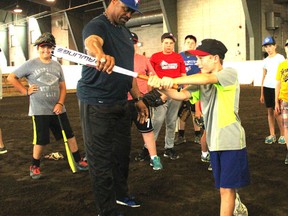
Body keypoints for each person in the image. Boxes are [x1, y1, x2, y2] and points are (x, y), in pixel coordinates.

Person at [148, 39, 250, 216]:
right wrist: (161, 86)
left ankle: (232, 200)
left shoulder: (229, 73)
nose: (198, 62)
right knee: (224, 188)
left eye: (202, 58)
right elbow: (180, 94)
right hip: (214, 142)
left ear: (215, 58)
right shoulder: (200, 83)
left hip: (231, 141)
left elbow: (207, 78)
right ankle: (234, 200)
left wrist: (172, 78)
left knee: (225, 190)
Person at [76, 1, 148, 215]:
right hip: (96, 103)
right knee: (100, 159)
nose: (128, 14)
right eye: (125, 9)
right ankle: (106, 210)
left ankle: (120, 195)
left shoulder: (126, 33)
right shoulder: (97, 25)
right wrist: (100, 54)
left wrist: (138, 98)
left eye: (132, 12)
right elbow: (92, 41)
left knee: (121, 154)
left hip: (121, 102)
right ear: (114, 2)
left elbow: (129, 72)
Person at [7, 32, 88, 180]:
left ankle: (78, 160)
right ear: (38, 48)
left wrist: (60, 103)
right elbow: (12, 77)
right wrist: (25, 91)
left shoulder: (56, 65)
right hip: (40, 110)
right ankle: (35, 165)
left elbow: (63, 87)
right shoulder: (30, 64)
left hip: (58, 109)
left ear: (53, 49)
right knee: (41, 139)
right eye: (42, 47)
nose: (46, 50)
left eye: (49, 48)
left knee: (69, 135)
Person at [149, 32, 186, 160]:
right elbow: (151, 76)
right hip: (160, 93)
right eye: (166, 43)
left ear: (174, 45)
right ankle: (148, 148)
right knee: (157, 120)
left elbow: (183, 76)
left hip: (175, 94)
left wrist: (184, 92)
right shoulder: (155, 57)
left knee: (171, 121)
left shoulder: (178, 57)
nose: (168, 45)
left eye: (171, 43)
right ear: (162, 43)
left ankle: (169, 148)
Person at [129, 32, 163, 170]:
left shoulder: (143, 59)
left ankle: (154, 157)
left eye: (134, 42)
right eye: (129, 42)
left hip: (141, 102)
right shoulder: (117, 59)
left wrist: (149, 94)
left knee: (147, 130)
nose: (132, 44)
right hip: (122, 102)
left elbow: (153, 76)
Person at [175, 34, 202, 145]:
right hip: (182, 89)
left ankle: (198, 135)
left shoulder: (199, 57)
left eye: (192, 43)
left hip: (195, 88)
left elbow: (201, 72)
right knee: (182, 113)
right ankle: (181, 135)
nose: (190, 45)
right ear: (184, 44)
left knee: (195, 112)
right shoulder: (179, 56)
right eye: (188, 43)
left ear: (195, 45)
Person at [260, 36, 285, 144]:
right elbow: (264, 76)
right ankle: (272, 134)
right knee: (270, 111)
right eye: (266, 47)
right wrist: (261, 93)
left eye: (270, 46)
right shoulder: (265, 61)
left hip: (277, 88)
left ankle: (283, 134)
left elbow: (284, 74)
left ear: (275, 46)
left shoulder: (280, 58)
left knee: (277, 112)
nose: (268, 48)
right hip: (267, 88)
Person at [275, 39, 288, 165]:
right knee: (287, 128)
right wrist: (276, 101)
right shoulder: (282, 65)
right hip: (285, 99)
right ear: (285, 48)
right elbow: (278, 83)